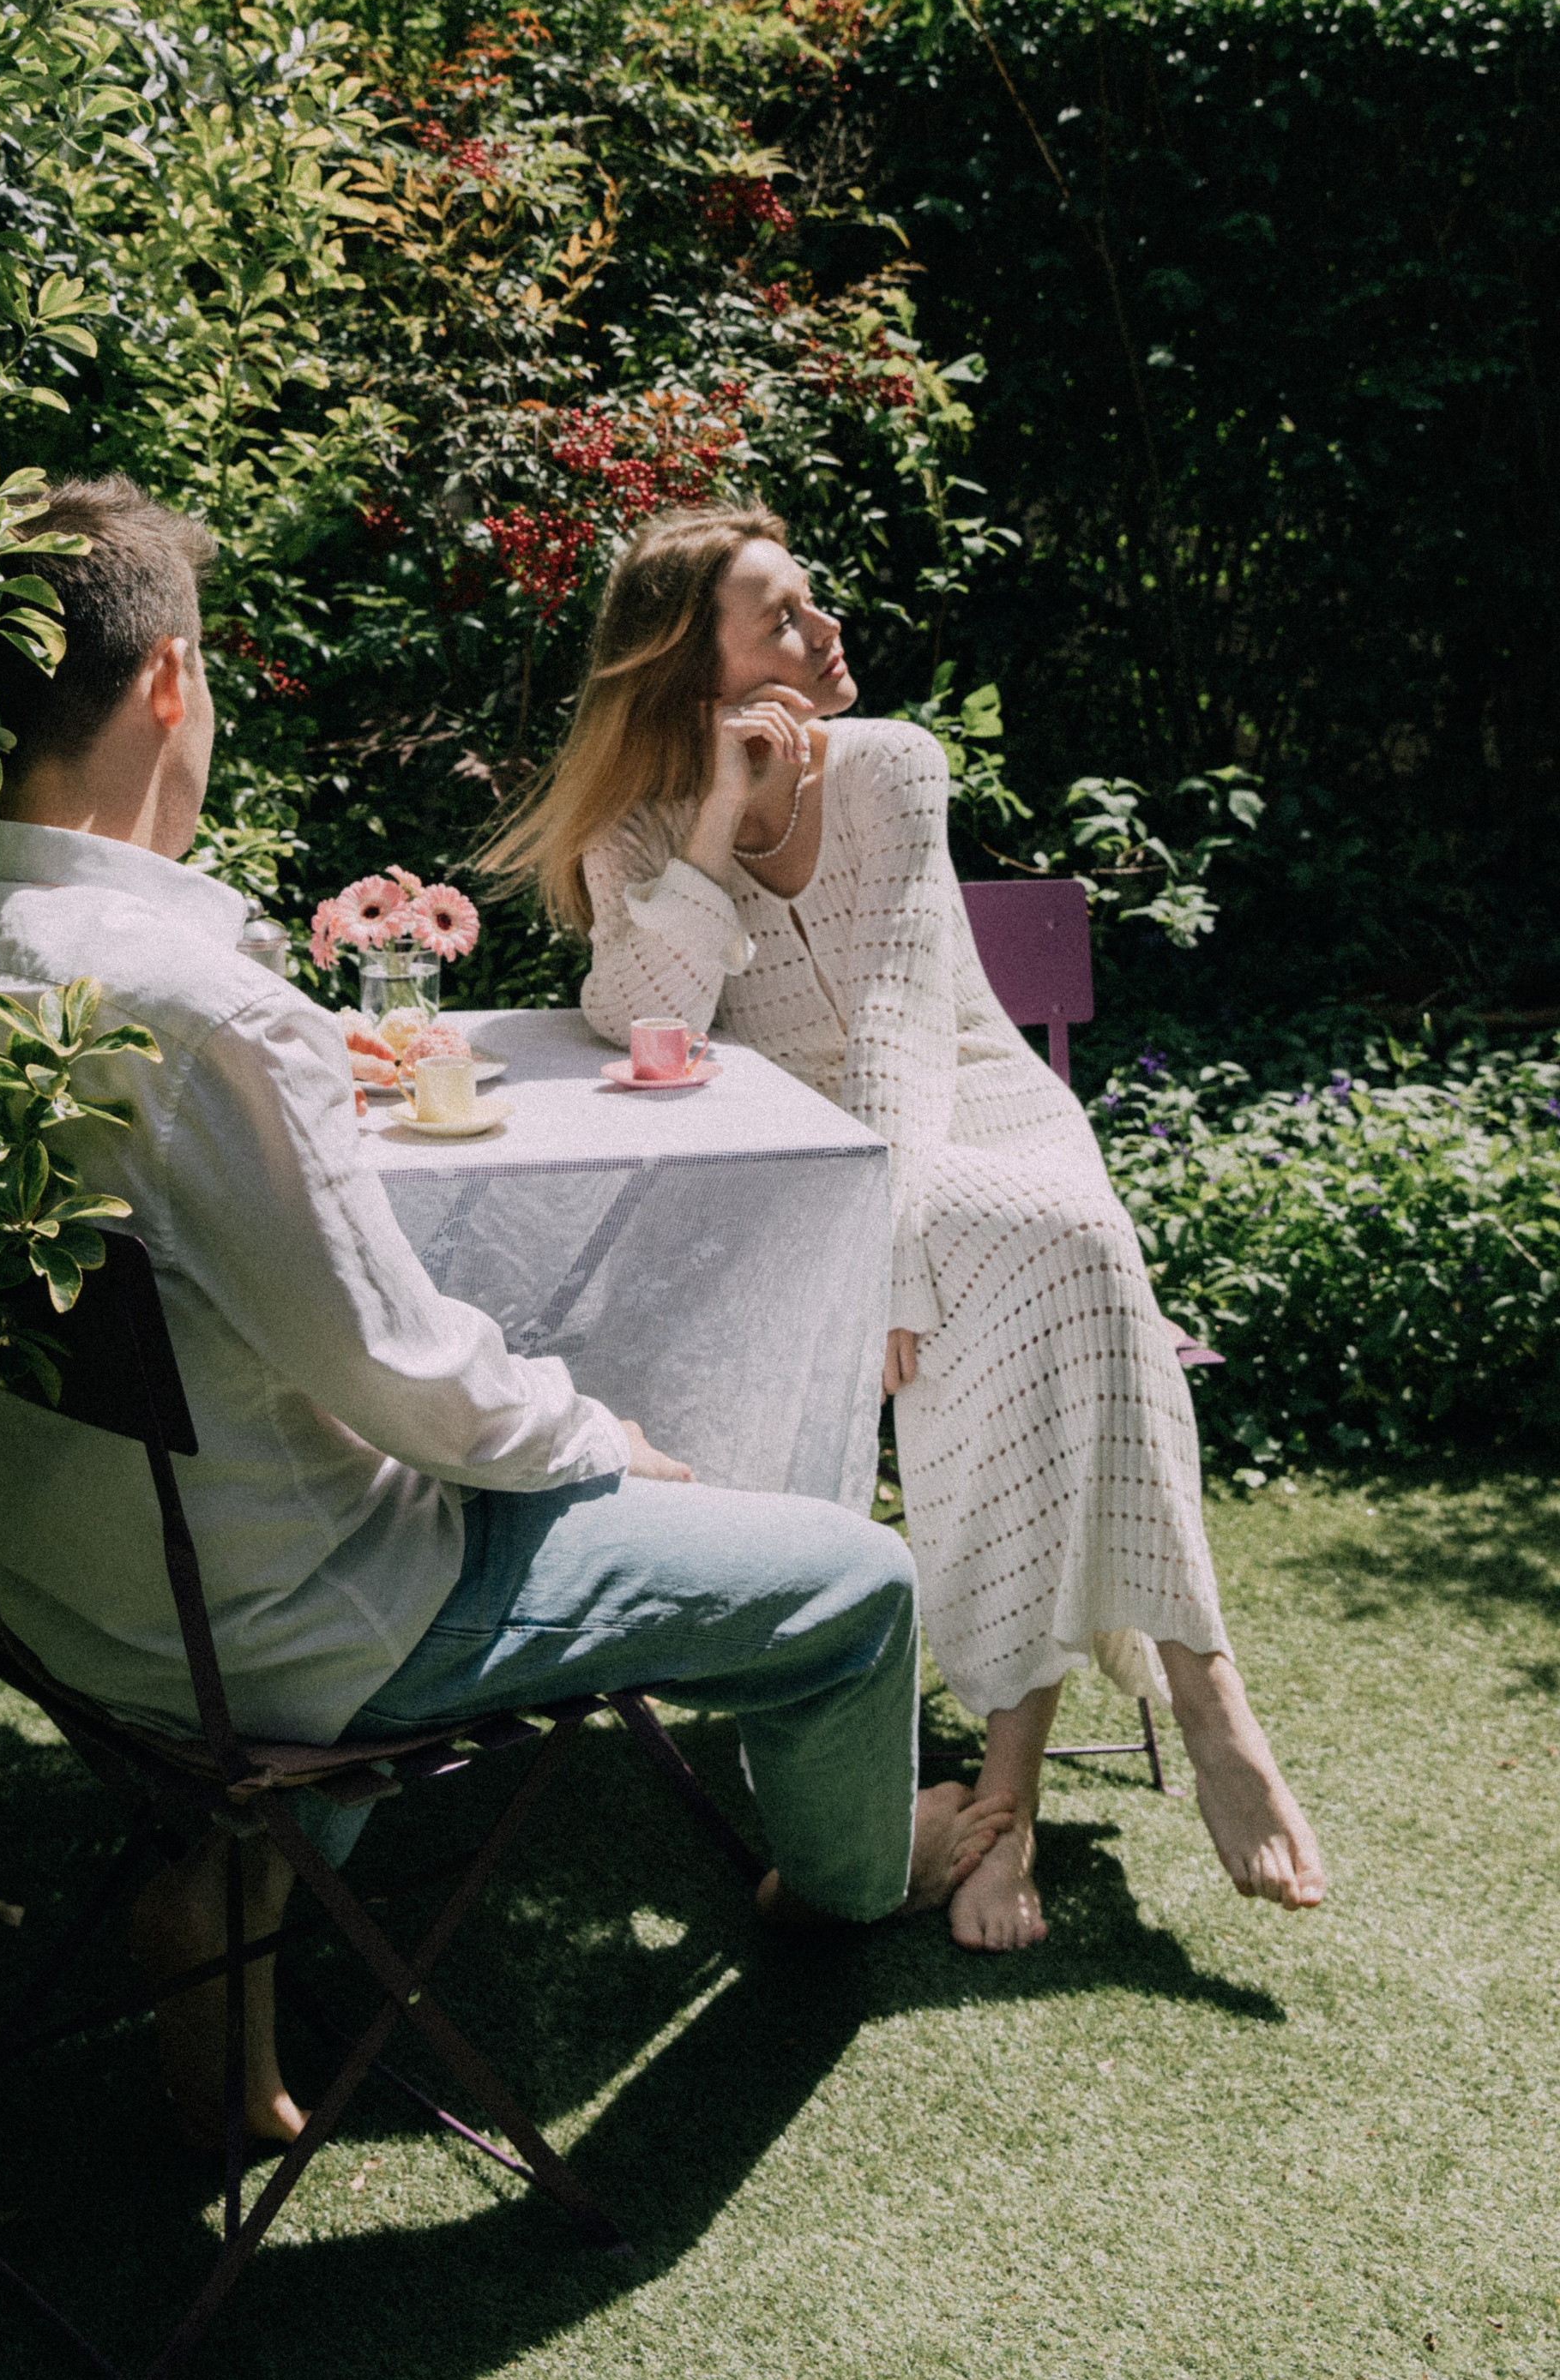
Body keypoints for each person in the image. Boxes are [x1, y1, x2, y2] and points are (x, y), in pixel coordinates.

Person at [0, 477, 1011, 2147]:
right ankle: (850, 1882)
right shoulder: (198, 1002)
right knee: (855, 1581)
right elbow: (401, 1375)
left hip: (50, 1588)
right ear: (170, 680)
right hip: (281, 1628)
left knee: (463, 1426)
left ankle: (223, 1890)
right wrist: (603, 1437)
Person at [482, 501, 1325, 1954]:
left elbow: (895, 1037)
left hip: (966, 1111)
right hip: (801, 1175)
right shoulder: (640, 831)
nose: (829, 634)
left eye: (817, 604)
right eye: (786, 622)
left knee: (1054, 1246)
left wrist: (899, 1264)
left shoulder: (891, 769)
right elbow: (647, 1019)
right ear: (704, 680)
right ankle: (1034, 1802)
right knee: (1058, 1266)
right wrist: (711, 814)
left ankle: (1181, 1706)